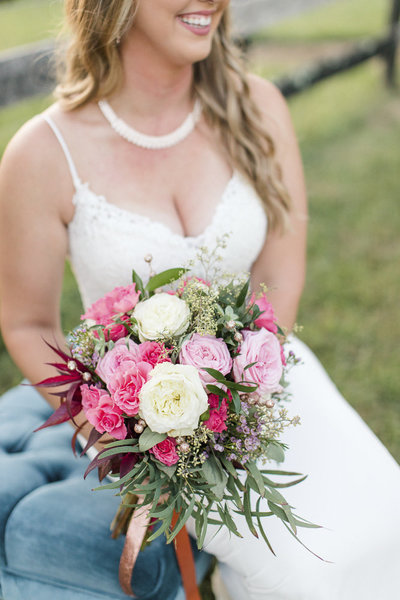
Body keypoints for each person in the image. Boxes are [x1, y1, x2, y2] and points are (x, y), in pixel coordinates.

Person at [0, 1, 399, 599]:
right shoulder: (42, 152)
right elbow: (28, 324)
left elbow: (280, 273)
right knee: (308, 573)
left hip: (274, 386)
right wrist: (121, 433)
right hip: (153, 439)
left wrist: (244, 394)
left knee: (384, 519)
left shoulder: (258, 107)